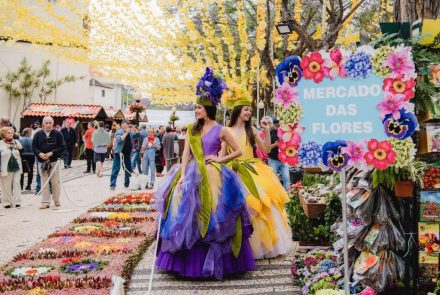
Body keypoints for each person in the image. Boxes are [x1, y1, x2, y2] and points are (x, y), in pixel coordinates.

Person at [155, 68, 255, 279]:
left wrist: (220, 159)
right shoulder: (192, 129)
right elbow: (185, 154)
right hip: (192, 174)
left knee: (216, 215)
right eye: (195, 108)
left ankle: (221, 260)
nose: (196, 110)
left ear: (207, 108)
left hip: (214, 176)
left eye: (198, 107)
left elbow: (237, 151)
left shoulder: (221, 130)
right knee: (187, 214)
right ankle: (187, 261)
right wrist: (182, 176)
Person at [221, 86, 293, 259]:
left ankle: (260, 245)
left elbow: (267, 149)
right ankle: (239, 245)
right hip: (234, 171)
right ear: (238, 110)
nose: (249, 112)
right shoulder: (226, 131)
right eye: (246, 109)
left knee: (261, 204)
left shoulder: (251, 130)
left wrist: (267, 131)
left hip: (254, 170)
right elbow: (222, 156)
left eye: (250, 110)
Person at [32, 116, 65, 209]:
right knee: (44, 182)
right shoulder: (37, 134)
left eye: (50, 123)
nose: (48, 124)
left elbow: (62, 147)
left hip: (54, 161)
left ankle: (56, 199)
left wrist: (52, 152)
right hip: (42, 162)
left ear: (52, 124)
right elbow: (34, 147)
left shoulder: (58, 134)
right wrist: (39, 153)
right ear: (43, 124)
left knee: (55, 182)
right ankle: (45, 201)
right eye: (46, 123)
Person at [0, 127, 23, 208]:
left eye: (12, 133)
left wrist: (15, 145)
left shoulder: (16, 141)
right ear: (4, 134)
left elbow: (21, 148)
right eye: (8, 133)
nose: (11, 134)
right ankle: (7, 202)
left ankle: (17, 201)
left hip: (17, 166)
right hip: (5, 167)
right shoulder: (1, 143)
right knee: (6, 185)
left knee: (17, 183)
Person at [268, 119, 291, 191]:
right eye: (276, 126)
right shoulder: (270, 133)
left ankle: (287, 197)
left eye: (280, 125)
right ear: (273, 125)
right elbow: (267, 147)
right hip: (273, 159)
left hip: (284, 160)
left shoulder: (286, 133)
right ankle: (275, 196)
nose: (278, 127)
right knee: (273, 179)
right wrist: (277, 144)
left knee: (286, 178)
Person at [110, 121, 132, 190]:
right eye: (126, 124)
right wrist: (126, 133)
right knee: (116, 168)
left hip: (127, 154)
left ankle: (127, 184)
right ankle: (112, 184)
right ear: (122, 125)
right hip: (119, 153)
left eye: (128, 125)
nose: (127, 126)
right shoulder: (119, 132)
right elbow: (119, 139)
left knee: (128, 169)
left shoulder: (130, 132)